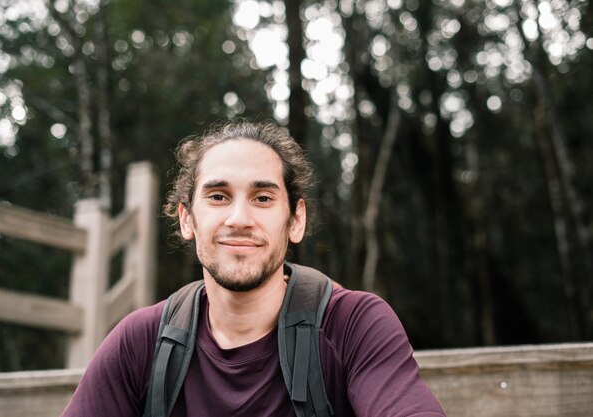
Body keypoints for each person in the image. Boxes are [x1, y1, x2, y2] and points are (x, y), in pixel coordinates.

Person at [61, 121, 446, 417]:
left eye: (262, 198)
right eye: (217, 196)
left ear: (295, 221)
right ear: (187, 219)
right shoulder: (141, 341)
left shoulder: (353, 325)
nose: (239, 218)